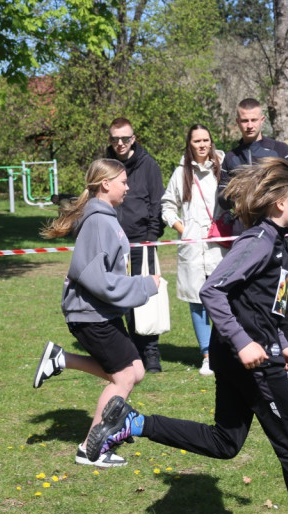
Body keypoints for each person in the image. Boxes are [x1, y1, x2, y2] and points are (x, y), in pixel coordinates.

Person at [86, 158, 288, 514]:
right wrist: (246, 343)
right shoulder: (259, 241)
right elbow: (213, 290)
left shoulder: (278, 239)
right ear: (278, 204)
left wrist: (282, 341)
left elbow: (269, 300)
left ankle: (131, 422)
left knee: (226, 441)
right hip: (248, 357)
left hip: (249, 351)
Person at [33, 158, 160, 468]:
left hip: (100, 312)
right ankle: (92, 448)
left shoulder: (105, 218)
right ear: (106, 184)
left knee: (136, 371)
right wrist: (143, 286)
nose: (128, 187)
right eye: (123, 182)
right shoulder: (99, 222)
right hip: (88, 313)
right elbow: (95, 278)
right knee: (124, 378)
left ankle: (61, 359)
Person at [219, 98, 288, 383]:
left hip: (278, 239)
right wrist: (245, 190)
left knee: (282, 297)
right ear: (237, 121)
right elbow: (222, 196)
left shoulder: (280, 150)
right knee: (248, 297)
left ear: (263, 119)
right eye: (244, 120)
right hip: (247, 239)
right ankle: (254, 351)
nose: (249, 124)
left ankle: (287, 357)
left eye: (254, 119)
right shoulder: (231, 157)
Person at [161, 124, 225, 376]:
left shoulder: (224, 166)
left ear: (211, 141)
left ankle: (225, 351)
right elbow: (167, 206)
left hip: (220, 246)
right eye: (196, 141)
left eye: (205, 140)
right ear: (189, 144)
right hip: (192, 247)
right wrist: (182, 228)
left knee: (222, 301)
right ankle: (207, 355)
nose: (201, 145)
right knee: (197, 302)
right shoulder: (180, 173)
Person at [105, 117, 165, 373]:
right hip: (111, 244)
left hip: (142, 243)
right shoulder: (104, 166)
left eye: (125, 138)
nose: (120, 143)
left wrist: (151, 237)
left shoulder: (148, 165)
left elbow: (157, 204)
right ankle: (127, 353)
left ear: (133, 138)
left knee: (145, 299)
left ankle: (150, 353)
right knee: (116, 300)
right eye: (115, 138)